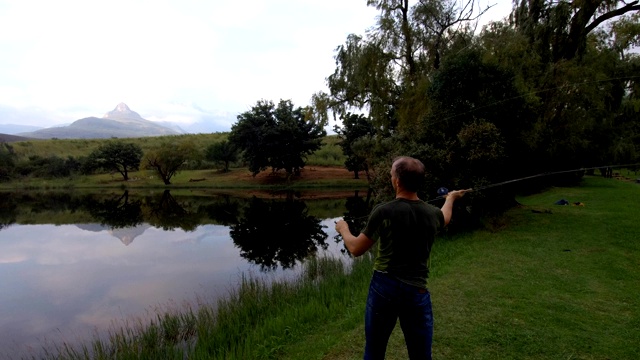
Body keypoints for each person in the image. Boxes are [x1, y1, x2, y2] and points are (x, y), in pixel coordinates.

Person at [335, 156, 467, 360]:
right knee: (421, 355)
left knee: (374, 351)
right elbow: (445, 217)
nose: (390, 177)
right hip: (417, 290)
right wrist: (450, 198)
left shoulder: (384, 211)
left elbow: (355, 248)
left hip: (383, 287)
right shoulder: (432, 214)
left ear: (397, 181)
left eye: (391, 174)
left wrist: (343, 229)